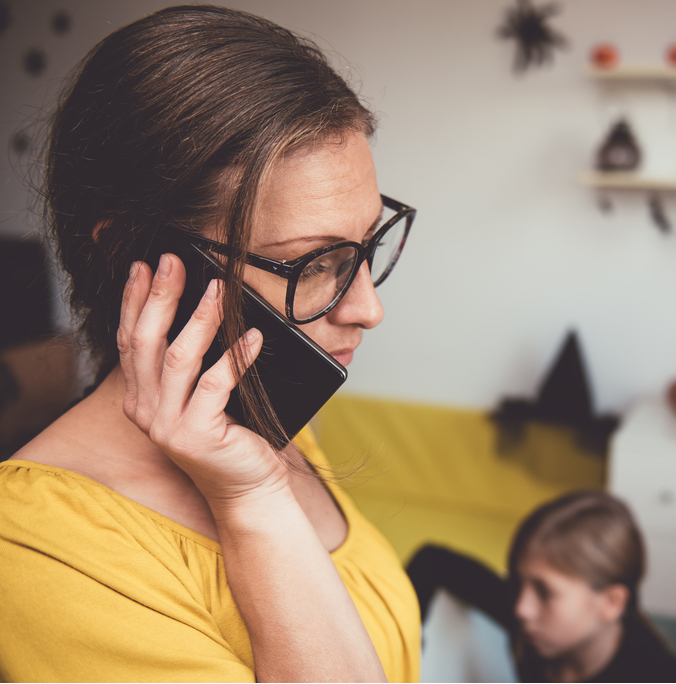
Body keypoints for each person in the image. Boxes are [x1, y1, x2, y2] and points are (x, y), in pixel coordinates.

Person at [0, 6, 420, 682]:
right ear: (142, 261)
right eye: (314, 264)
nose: (369, 309)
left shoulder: (262, 412)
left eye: (367, 246)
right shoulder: (36, 549)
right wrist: (253, 503)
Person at [408, 490, 676, 683]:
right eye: (518, 582)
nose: (521, 608)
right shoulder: (532, 624)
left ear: (611, 602)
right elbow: (432, 560)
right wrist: (404, 642)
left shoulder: (661, 676)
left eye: (545, 592)